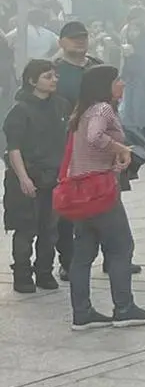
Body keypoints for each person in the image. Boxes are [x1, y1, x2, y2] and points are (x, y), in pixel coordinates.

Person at [62, 65, 145, 331]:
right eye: (117, 80)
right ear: (104, 85)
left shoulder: (81, 113)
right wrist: (120, 147)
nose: (122, 84)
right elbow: (95, 137)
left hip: (81, 192)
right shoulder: (102, 109)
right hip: (101, 192)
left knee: (82, 254)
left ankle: (82, 313)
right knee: (120, 247)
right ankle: (124, 308)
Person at [6, 60, 66, 294]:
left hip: (53, 177)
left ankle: (44, 271)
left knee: (50, 228)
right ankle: (22, 274)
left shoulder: (60, 106)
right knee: (25, 228)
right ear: (32, 81)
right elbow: (14, 148)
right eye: (47, 76)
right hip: (27, 176)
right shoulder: (20, 111)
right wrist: (23, 178)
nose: (53, 80)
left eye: (55, 76)